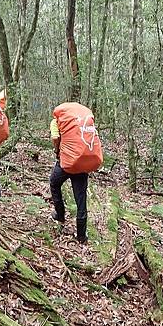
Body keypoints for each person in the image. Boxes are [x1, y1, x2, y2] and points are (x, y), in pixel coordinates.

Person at [50, 102, 103, 244]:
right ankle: (81, 236)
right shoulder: (84, 122)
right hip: (84, 162)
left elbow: (55, 137)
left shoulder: (57, 120)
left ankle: (60, 215)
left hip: (67, 162)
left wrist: (57, 151)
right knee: (81, 198)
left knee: (54, 183)